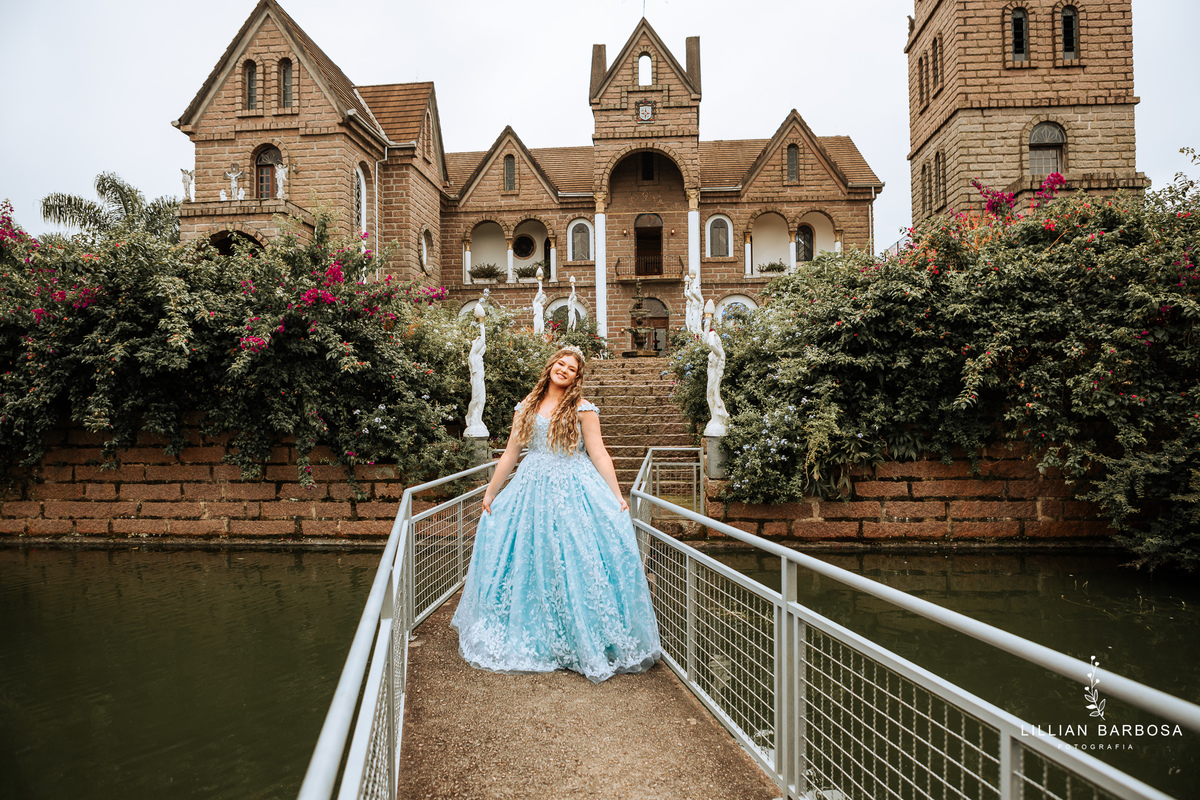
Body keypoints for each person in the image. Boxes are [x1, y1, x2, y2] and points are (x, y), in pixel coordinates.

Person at [451, 346, 662, 683]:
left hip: (573, 489)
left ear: (577, 376)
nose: (564, 370)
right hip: (530, 490)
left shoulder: (583, 408)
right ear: (551, 366)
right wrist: (491, 492)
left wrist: (616, 494)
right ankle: (540, 636)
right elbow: (510, 453)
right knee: (533, 559)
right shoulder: (527, 406)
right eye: (560, 364)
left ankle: (581, 637)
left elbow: (599, 453)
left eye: (571, 368)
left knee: (576, 559)